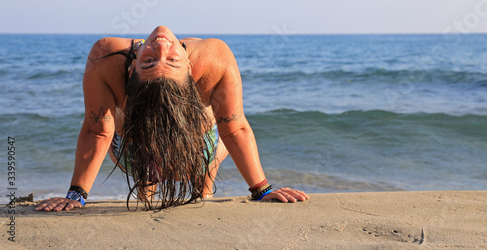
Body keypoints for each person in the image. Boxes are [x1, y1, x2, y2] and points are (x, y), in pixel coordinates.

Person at [36, 26, 309, 211]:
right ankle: (148, 192)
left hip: (199, 149)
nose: (162, 47)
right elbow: (98, 131)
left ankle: (204, 187)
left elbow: (234, 128)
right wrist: (76, 195)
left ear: (190, 69)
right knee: (146, 196)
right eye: (150, 62)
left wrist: (262, 189)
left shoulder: (214, 59)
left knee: (216, 119)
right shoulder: (107, 59)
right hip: (135, 154)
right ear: (131, 68)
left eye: (171, 61)